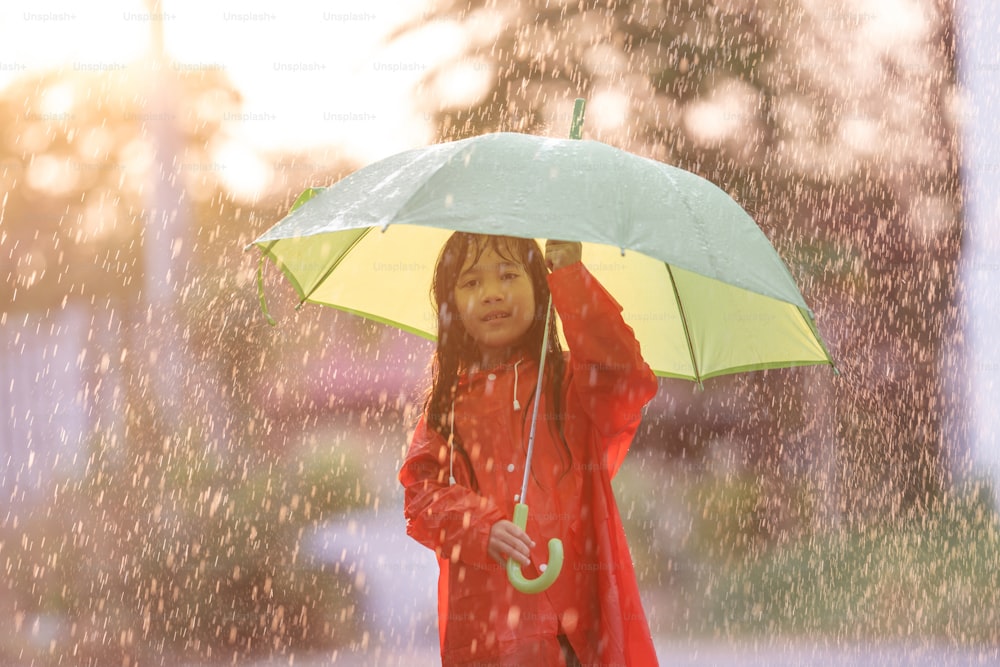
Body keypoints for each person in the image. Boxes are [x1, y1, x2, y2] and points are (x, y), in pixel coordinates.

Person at [399, 232, 659, 666]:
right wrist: (481, 526)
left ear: (539, 288)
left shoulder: (569, 385)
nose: (492, 294)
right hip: (495, 632)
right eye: (471, 283)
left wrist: (571, 279)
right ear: (451, 305)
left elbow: (625, 380)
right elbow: (421, 493)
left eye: (507, 275)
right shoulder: (448, 408)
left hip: (578, 629)